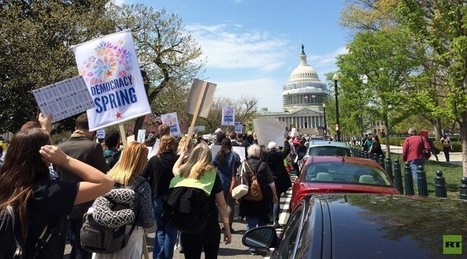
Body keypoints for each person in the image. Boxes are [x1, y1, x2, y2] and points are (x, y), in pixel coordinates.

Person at [0, 127, 114, 258]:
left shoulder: (6, 184)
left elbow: (29, 144)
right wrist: (64, 159)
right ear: (44, 156)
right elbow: (105, 183)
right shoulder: (47, 193)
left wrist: (43, 129)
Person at [56, 113, 109, 259]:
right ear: (92, 130)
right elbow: (102, 175)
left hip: (64, 204)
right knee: (83, 247)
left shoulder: (60, 148)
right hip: (86, 205)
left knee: (74, 244)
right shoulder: (93, 147)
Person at [93, 141, 155, 259]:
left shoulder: (107, 178)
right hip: (129, 236)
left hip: (102, 234)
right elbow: (147, 220)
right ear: (140, 161)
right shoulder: (142, 184)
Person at [171, 142, 231, 259]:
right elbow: (222, 204)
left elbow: (174, 169)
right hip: (210, 224)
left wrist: (182, 155)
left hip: (188, 224)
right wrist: (227, 228)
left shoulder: (183, 173)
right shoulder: (213, 175)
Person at [141, 135, 179, 259]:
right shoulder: (178, 160)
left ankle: (158, 256)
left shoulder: (154, 160)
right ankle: (167, 256)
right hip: (174, 199)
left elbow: (143, 176)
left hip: (157, 198)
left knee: (160, 228)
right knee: (171, 229)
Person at [239, 144, 278, 254]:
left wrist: (238, 196)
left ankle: (252, 246)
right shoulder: (264, 165)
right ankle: (262, 244)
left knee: (250, 223)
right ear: (259, 153)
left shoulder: (244, 165)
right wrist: (275, 195)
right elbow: (271, 183)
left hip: (247, 198)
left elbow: (240, 180)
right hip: (262, 198)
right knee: (262, 222)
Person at [213, 138, 240, 232]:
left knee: (220, 204)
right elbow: (239, 166)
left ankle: (221, 223)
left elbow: (213, 165)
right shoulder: (234, 155)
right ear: (230, 145)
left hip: (220, 182)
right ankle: (228, 226)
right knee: (230, 205)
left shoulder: (218, 155)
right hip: (231, 183)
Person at [261, 139, 291, 228]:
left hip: (267, 180)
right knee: (276, 199)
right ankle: (275, 220)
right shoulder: (279, 155)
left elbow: (260, 150)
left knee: (269, 199)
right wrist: (285, 140)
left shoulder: (265, 156)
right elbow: (287, 150)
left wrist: (259, 140)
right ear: (276, 148)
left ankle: (270, 217)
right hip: (278, 180)